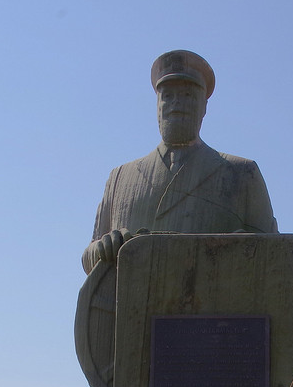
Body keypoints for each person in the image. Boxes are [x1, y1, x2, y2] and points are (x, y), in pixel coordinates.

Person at [80, 50, 277, 275]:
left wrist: (239, 250)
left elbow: (274, 256)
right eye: (168, 96)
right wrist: (102, 249)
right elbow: (88, 256)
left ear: (204, 106)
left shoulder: (242, 173)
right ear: (157, 105)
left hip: (209, 307)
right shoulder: (120, 178)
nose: (177, 103)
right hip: (131, 304)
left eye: (188, 95)